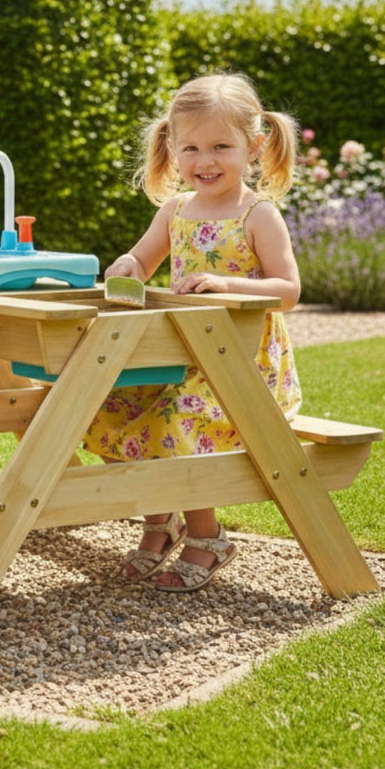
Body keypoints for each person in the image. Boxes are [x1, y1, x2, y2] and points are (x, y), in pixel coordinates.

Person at [85, 72, 302, 592]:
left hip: (242, 368)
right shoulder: (175, 210)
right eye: (192, 148)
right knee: (106, 404)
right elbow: (141, 259)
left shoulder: (258, 215)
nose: (205, 161)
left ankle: (209, 537)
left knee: (173, 423)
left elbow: (289, 290)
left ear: (254, 146)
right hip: (182, 354)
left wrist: (224, 283)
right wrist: (128, 266)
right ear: (172, 149)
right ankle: (160, 521)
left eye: (221, 147)